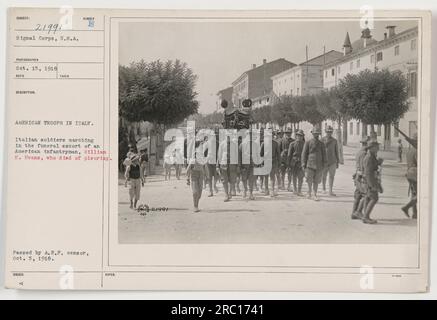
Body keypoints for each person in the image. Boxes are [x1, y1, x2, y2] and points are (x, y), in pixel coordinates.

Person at [301, 126, 327, 201]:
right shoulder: (308, 142)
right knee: (309, 179)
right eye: (315, 133)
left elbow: (324, 154)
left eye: (317, 133)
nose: (316, 135)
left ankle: (314, 193)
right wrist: (303, 163)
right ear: (312, 133)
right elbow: (304, 154)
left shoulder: (322, 144)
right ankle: (309, 192)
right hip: (310, 164)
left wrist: (325, 164)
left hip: (319, 165)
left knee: (316, 180)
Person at [362, 141, 380, 224]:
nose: (378, 148)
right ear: (371, 148)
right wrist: (372, 185)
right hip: (370, 181)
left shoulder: (371, 156)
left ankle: (365, 215)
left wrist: (378, 162)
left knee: (368, 198)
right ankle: (366, 217)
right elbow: (368, 173)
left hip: (369, 181)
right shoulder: (369, 157)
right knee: (374, 198)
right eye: (376, 147)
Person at [351, 137, 369, 220]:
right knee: (366, 195)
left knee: (358, 195)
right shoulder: (364, 153)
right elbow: (363, 167)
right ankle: (359, 212)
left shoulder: (359, 152)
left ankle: (354, 213)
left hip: (357, 176)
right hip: (361, 177)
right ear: (366, 144)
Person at [217, 136, 238, 202]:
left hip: (232, 164)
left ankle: (229, 192)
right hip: (224, 164)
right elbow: (219, 155)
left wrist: (238, 165)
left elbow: (237, 155)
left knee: (232, 180)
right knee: (224, 180)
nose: (228, 137)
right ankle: (226, 194)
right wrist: (217, 165)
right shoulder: (222, 144)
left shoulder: (234, 145)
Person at [401, 134, 418, 219]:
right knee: (420, 195)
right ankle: (406, 207)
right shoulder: (417, 151)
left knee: (414, 194)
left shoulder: (410, 150)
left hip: (409, 174)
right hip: (416, 174)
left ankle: (415, 214)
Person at [321, 126, 340, 196]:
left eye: (330, 132)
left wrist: (337, 161)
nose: (329, 133)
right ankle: (323, 189)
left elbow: (336, 151)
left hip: (332, 161)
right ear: (325, 132)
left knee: (331, 176)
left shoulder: (334, 141)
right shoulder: (322, 140)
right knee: (324, 175)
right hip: (324, 161)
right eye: (327, 131)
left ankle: (330, 190)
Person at [261, 131, 281, 197]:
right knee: (266, 176)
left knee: (272, 176)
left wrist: (279, 163)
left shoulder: (275, 143)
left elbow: (278, 154)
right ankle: (266, 190)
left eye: (271, 135)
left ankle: (272, 190)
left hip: (273, 161)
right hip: (266, 161)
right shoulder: (263, 143)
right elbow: (261, 154)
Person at [186, 143, 205, 213]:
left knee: (200, 192)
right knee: (195, 192)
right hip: (194, 175)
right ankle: (195, 206)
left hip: (201, 175)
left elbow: (204, 167)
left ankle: (196, 203)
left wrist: (207, 176)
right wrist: (187, 179)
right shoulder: (193, 158)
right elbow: (188, 169)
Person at [287, 129, 305, 196]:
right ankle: (295, 189)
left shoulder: (304, 144)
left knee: (301, 177)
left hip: (301, 162)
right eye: (298, 135)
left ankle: (299, 190)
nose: (299, 137)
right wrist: (288, 165)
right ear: (296, 136)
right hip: (293, 162)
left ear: (302, 136)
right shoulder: (292, 144)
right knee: (294, 176)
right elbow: (289, 155)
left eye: (301, 136)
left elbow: (306, 154)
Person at [239, 131, 255, 200]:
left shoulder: (255, 145)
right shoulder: (242, 145)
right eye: (248, 135)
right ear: (246, 136)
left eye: (251, 135)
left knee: (251, 180)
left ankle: (251, 193)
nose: (250, 136)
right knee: (244, 179)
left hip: (252, 165)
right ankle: (244, 191)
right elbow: (239, 157)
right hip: (244, 165)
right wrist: (239, 166)